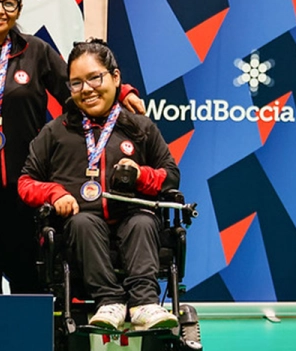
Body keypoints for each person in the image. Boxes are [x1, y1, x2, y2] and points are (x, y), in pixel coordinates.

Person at [0, 0, 143, 294]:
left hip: (27, 184)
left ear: (18, 10)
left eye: (9, 4)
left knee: (29, 271)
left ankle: (31, 328)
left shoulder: (36, 51)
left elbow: (77, 87)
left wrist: (122, 91)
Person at [18, 39, 179, 331]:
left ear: (115, 77)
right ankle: (110, 302)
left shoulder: (140, 127)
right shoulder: (55, 132)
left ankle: (144, 303)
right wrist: (54, 193)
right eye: (76, 83)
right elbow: (26, 181)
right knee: (83, 223)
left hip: (132, 219)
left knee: (142, 222)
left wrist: (141, 175)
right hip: (80, 228)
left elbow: (170, 175)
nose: (87, 89)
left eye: (95, 78)